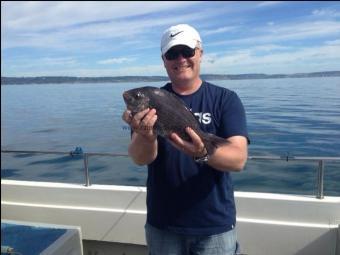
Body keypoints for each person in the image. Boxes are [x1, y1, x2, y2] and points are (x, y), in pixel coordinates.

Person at [122, 24, 249, 255]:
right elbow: (140, 159)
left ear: (200, 52)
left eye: (187, 51)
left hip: (214, 227)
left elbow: (238, 160)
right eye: (172, 54)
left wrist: (202, 152)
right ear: (164, 60)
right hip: (163, 225)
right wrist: (146, 136)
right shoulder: (149, 103)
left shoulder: (226, 100)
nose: (180, 59)